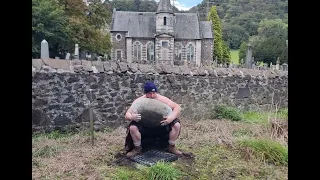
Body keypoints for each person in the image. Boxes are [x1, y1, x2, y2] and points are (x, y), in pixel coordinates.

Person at [124, 81, 183, 158]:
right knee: (133, 127)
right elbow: (127, 115)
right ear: (145, 93)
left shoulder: (161, 99)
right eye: (149, 93)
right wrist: (132, 117)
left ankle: (171, 147)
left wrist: (171, 118)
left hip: (162, 124)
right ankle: (137, 148)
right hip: (144, 124)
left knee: (176, 125)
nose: (152, 95)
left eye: (153, 93)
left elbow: (177, 107)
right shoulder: (139, 101)